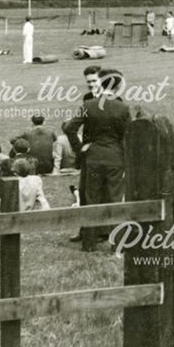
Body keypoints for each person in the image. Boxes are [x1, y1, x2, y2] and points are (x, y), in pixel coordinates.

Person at [63, 68, 131, 251]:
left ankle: (89, 243)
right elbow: (128, 135)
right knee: (115, 197)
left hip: (93, 155)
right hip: (115, 156)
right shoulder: (123, 107)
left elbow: (69, 128)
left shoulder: (89, 105)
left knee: (91, 197)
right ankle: (118, 244)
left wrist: (80, 149)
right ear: (117, 87)